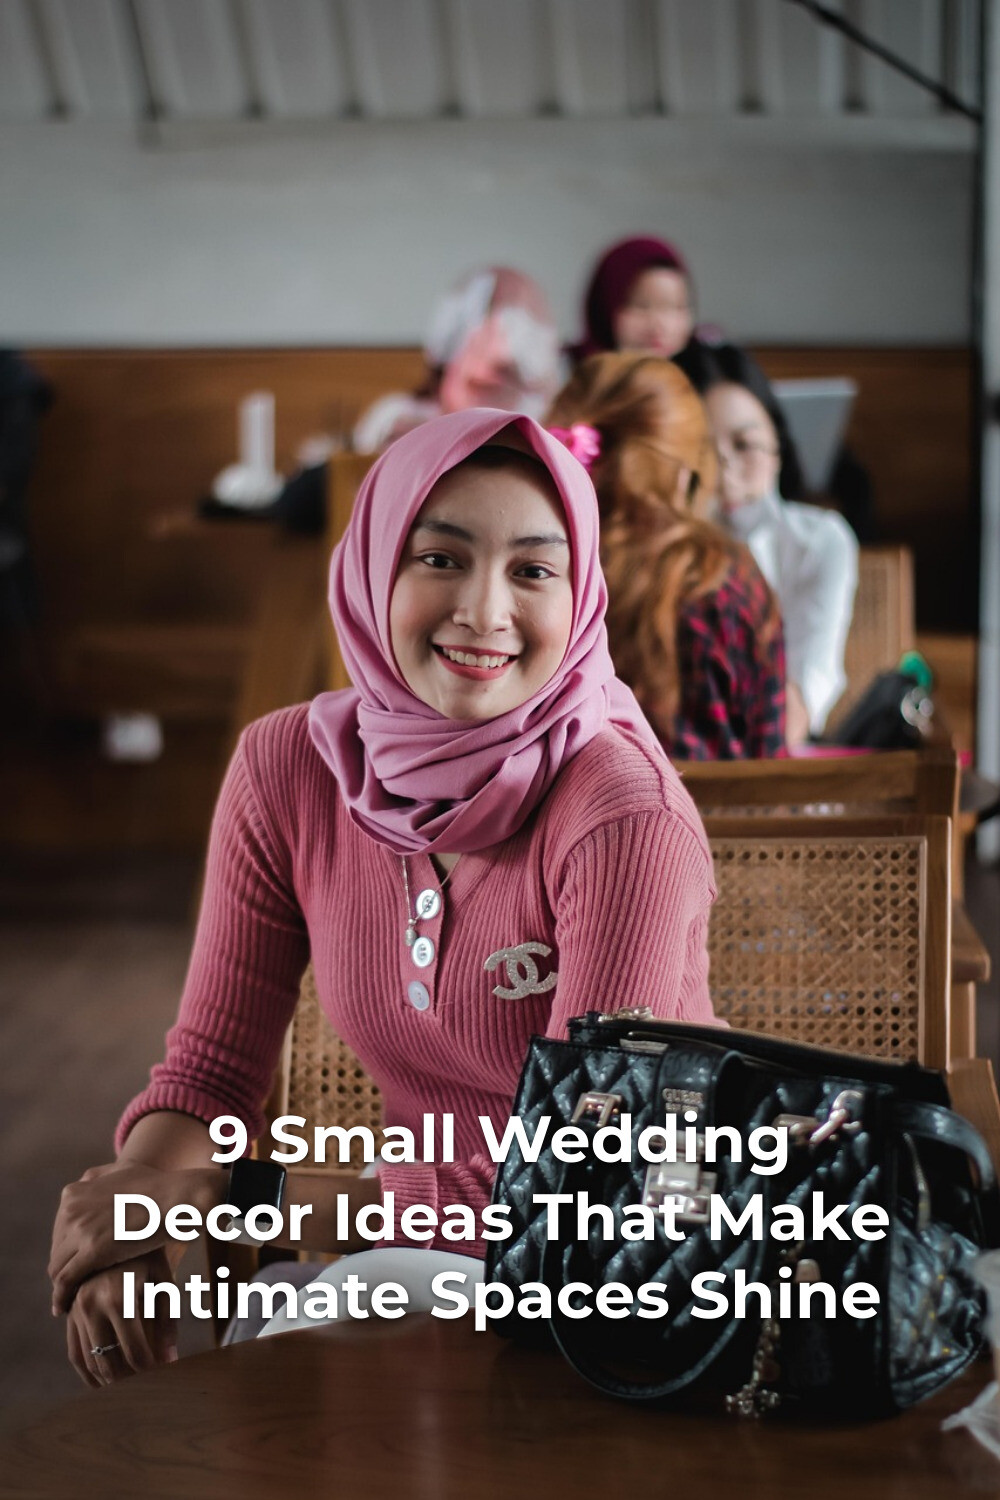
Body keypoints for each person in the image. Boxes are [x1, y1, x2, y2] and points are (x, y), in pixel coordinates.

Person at [48, 408, 719, 1383]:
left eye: (532, 570)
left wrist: (231, 1199)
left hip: (616, 1300)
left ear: (577, 602)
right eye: (439, 559)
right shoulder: (286, 768)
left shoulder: (618, 814)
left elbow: (578, 1194)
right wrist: (139, 1206)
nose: (484, 612)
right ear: (368, 572)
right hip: (415, 1274)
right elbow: (208, 1073)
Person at [547, 353, 787, 759]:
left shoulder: (537, 576)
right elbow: (767, 748)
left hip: (567, 820)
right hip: (729, 820)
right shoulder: (725, 580)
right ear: (683, 472)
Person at [681, 342, 859, 746]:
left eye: (743, 445)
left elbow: (799, 704)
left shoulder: (820, 540)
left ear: (777, 445)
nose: (725, 469)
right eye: (703, 449)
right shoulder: (657, 547)